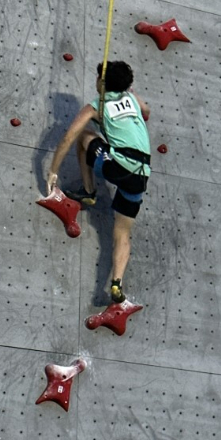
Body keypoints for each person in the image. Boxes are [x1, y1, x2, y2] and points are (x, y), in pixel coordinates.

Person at [46, 60, 151, 303]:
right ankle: (116, 284)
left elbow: (68, 136)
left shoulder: (96, 107)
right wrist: (133, 99)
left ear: (101, 83)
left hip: (119, 166)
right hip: (142, 175)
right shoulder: (132, 98)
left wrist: (53, 171)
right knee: (122, 232)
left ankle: (89, 190)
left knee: (85, 136)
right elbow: (146, 113)